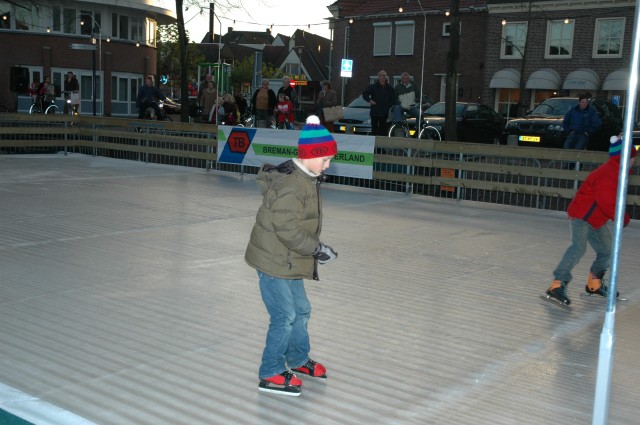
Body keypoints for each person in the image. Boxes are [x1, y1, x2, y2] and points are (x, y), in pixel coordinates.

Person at [245, 115, 338, 396]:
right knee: (284, 315)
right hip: (273, 260)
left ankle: (297, 358)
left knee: (302, 310)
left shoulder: (307, 179)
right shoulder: (293, 185)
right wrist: (317, 249)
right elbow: (288, 229)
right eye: (325, 160)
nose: (328, 165)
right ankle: (271, 371)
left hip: (288, 258)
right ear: (310, 156)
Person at [546, 135, 637, 306]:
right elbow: (606, 201)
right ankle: (557, 284)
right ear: (623, 157)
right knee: (578, 247)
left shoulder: (618, 173)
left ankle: (594, 283)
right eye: (632, 157)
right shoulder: (608, 174)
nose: (634, 161)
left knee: (607, 250)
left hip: (596, 219)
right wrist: (621, 218)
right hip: (581, 216)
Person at [362, 70, 396, 136]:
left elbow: (393, 99)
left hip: (384, 113)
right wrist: (370, 100)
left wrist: (388, 107)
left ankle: (381, 142)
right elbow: (365, 94)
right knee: (374, 130)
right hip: (375, 112)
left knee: (383, 130)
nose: (384, 77)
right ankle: (374, 142)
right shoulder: (373, 87)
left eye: (385, 75)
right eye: (382, 75)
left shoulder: (390, 88)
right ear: (379, 77)